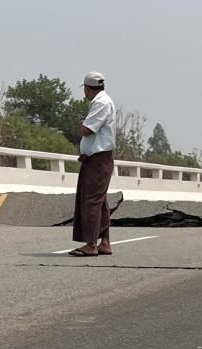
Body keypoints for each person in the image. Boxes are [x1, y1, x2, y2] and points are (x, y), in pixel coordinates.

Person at [69, 71, 116, 257]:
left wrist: (81, 126)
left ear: (88, 89)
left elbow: (86, 129)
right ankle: (104, 241)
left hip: (98, 159)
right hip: (97, 159)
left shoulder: (101, 103)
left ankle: (91, 244)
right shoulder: (103, 101)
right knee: (100, 201)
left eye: (85, 90)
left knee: (91, 201)